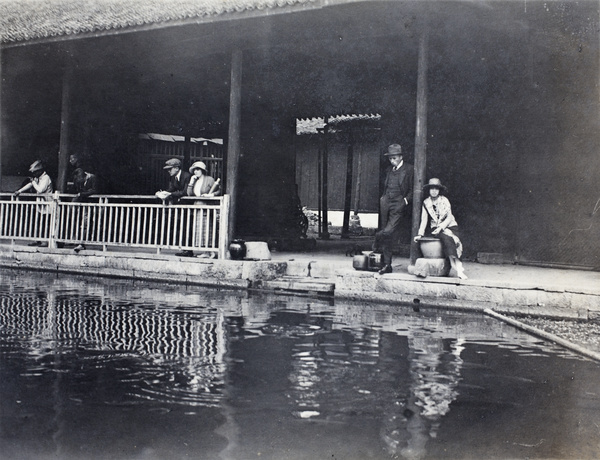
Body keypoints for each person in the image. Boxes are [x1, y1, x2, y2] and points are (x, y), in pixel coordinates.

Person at [414, 178, 467, 279]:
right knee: (446, 239)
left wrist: (442, 227)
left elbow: (449, 217)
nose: (434, 191)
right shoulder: (426, 203)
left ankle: (459, 266)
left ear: (439, 190)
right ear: (429, 190)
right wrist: (420, 234)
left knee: (455, 239)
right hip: (436, 227)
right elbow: (424, 220)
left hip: (449, 225)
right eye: (432, 189)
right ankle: (457, 268)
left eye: (436, 189)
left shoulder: (444, 200)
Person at [372, 144, 414, 275]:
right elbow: (386, 187)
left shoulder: (409, 169)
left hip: (398, 204)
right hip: (386, 203)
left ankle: (376, 238)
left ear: (401, 157)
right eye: (390, 158)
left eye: (394, 158)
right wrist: (383, 198)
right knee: (386, 234)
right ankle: (387, 264)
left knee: (387, 232)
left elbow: (414, 189)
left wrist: (405, 201)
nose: (392, 161)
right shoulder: (389, 170)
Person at [14, 160, 54, 246]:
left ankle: (45, 241)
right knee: (38, 222)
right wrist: (19, 191)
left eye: (35, 172)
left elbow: (40, 189)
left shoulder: (46, 178)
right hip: (41, 204)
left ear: (40, 171)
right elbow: (30, 184)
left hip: (48, 204)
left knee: (45, 223)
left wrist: (33, 182)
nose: (34, 174)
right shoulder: (38, 178)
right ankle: (38, 240)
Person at [185, 161, 221, 257]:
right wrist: (191, 182)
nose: (195, 172)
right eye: (194, 170)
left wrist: (211, 194)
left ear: (202, 170)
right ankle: (206, 252)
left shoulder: (209, 179)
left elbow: (218, 190)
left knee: (208, 229)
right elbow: (189, 194)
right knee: (200, 230)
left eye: (197, 169)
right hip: (197, 206)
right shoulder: (195, 180)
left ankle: (211, 251)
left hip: (206, 206)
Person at [72, 168, 99, 252]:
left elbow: (94, 190)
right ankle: (79, 241)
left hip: (91, 204)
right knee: (81, 222)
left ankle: (83, 242)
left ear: (84, 176)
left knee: (87, 223)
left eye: (80, 179)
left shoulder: (92, 178)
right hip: (82, 203)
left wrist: (82, 194)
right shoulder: (78, 179)